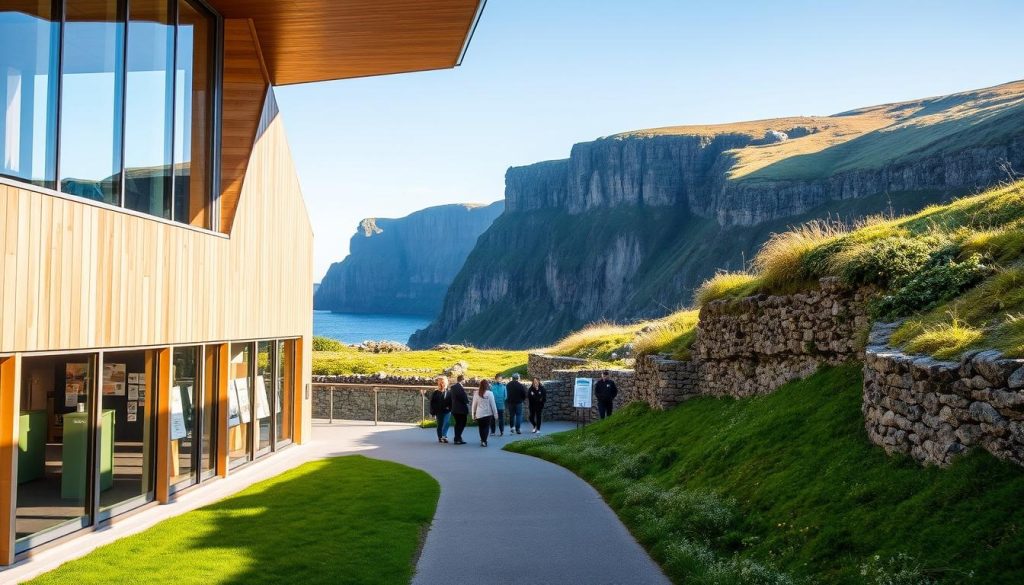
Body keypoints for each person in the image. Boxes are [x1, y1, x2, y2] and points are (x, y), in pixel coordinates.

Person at [472, 380, 499, 447]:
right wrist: (496, 414)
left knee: (481, 428)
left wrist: (473, 415)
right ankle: (484, 441)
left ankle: (482, 440)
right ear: (487, 385)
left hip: (479, 414)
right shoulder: (490, 393)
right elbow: (493, 405)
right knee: (486, 427)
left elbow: (474, 405)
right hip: (488, 414)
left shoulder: (476, 393)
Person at [446, 374, 470, 444]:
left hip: (455, 409)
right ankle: (457, 438)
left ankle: (458, 438)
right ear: (462, 380)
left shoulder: (453, 387)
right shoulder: (459, 387)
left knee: (458, 424)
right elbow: (462, 397)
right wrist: (467, 401)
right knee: (462, 423)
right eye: (464, 380)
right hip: (461, 409)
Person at [428, 376, 451, 443]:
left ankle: (444, 436)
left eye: (444, 382)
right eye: (441, 382)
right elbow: (432, 403)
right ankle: (440, 437)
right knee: (440, 424)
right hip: (439, 411)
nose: (442, 384)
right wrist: (433, 412)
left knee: (446, 423)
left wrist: (450, 407)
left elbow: (451, 401)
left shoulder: (449, 392)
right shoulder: (436, 392)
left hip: (447, 411)